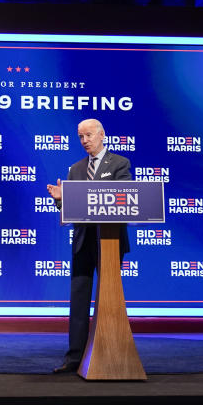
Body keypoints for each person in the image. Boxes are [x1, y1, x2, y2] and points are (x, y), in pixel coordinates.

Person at [46, 118, 131, 373]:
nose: (84, 140)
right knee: (79, 300)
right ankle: (74, 359)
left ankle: (110, 354)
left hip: (109, 241)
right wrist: (61, 201)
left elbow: (125, 200)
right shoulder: (75, 169)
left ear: (102, 135)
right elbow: (71, 211)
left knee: (108, 300)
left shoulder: (120, 164)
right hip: (83, 242)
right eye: (80, 136)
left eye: (89, 135)